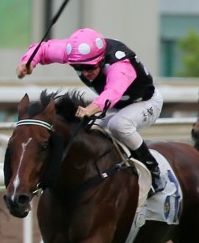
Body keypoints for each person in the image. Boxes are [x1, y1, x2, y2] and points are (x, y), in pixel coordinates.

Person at [15, 27, 165, 196]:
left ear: (101, 60)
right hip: (116, 107)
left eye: (89, 67)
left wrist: (89, 109)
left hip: (146, 102)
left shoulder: (120, 65)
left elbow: (112, 92)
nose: (85, 73)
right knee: (88, 134)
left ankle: (153, 169)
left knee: (119, 125)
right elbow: (42, 49)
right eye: (78, 67)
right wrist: (28, 62)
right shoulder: (73, 52)